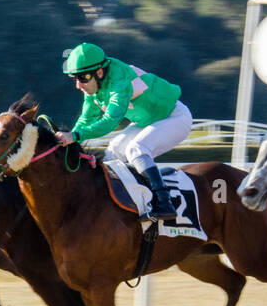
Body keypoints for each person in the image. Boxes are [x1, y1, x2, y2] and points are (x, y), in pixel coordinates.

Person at [54, 42, 192, 222]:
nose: (78, 85)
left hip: (175, 117)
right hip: (147, 120)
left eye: (83, 78)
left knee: (137, 149)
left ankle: (164, 202)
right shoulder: (94, 85)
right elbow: (86, 119)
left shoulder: (120, 82)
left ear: (100, 72)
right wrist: (70, 138)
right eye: (75, 78)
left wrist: (74, 136)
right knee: (113, 151)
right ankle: (129, 202)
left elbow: (110, 122)